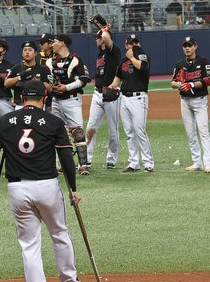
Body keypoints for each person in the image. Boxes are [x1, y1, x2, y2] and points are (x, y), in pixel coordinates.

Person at [0, 80, 81, 282]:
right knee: (59, 232)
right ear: (44, 99)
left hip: (18, 189)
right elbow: (66, 157)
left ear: (19, 99)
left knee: (29, 244)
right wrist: (73, 188)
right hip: (47, 186)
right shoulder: (54, 122)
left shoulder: (3, 121)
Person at [45, 34, 91, 175]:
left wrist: (66, 87)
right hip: (55, 101)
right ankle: (62, 165)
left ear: (63, 43)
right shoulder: (48, 62)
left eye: (55, 42)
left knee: (78, 132)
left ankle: (83, 165)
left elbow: (84, 79)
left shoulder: (76, 60)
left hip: (72, 100)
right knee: (59, 133)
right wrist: (52, 87)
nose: (51, 45)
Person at [108, 34, 154, 172]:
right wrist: (112, 86)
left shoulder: (142, 55)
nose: (133, 45)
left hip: (139, 98)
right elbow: (118, 77)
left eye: (135, 42)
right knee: (129, 132)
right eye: (131, 43)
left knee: (139, 130)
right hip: (124, 98)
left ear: (138, 43)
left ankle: (148, 163)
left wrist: (132, 57)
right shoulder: (123, 60)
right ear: (126, 44)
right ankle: (134, 162)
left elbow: (143, 67)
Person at [171, 37, 210, 173]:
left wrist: (191, 84)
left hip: (199, 100)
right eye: (185, 46)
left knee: (203, 132)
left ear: (195, 46)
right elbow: (172, 82)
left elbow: (208, 80)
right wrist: (178, 84)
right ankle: (197, 162)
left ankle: (208, 164)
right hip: (185, 101)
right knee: (190, 133)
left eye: (189, 45)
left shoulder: (203, 61)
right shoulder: (179, 64)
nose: (187, 48)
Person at [86, 26, 122, 169]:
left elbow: (107, 38)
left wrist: (104, 29)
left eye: (99, 37)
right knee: (91, 127)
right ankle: (86, 159)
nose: (97, 39)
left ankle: (111, 159)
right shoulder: (99, 55)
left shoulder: (114, 52)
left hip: (111, 94)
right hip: (97, 93)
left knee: (113, 130)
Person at [4, 41, 52, 110]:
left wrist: (39, 82)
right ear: (22, 54)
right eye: (25, 50)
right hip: (20, 105)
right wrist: (19, 77)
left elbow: (50, 88)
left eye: (30, 50)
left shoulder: (43, 69)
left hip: (38, 104)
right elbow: (6, 83)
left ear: (35, 53)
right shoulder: (16, 68)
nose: (27, 52)